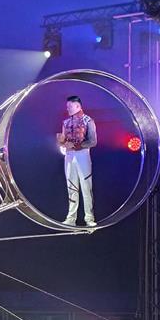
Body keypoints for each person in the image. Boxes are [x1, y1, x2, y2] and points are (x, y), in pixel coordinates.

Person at [56, 95, 97, 227]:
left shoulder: (88, 121)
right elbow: (63, 141)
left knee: (86, 186)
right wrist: (62, 142)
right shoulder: (66, 122)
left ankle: (89, 218)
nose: (67, 108)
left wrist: (78, 146)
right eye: (67, 106)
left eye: (70, 106)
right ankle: (71, 218)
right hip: (69, 156)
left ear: (77, 106)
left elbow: (93, 141)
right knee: (71, 187)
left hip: (82, 155)